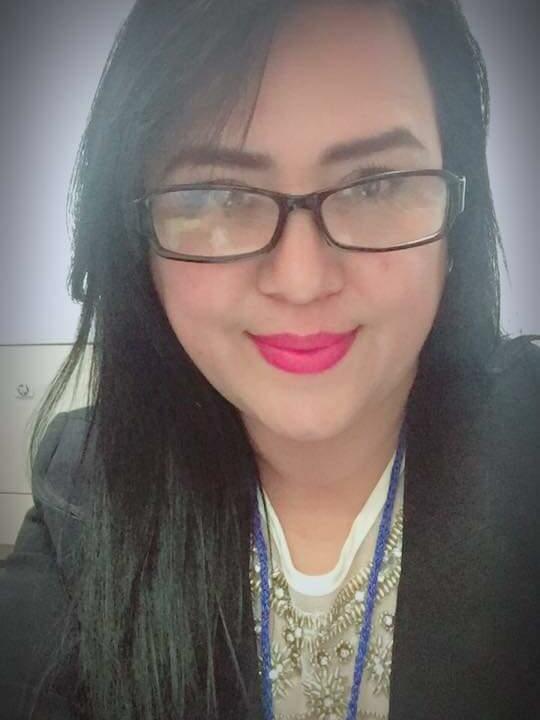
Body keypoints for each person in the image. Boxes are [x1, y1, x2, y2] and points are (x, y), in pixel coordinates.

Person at [0, 0, 538, 718]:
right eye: (219, 196)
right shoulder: (86, 488)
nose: (302, 281)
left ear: (457, 218)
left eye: (376, 184)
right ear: (136, 240)